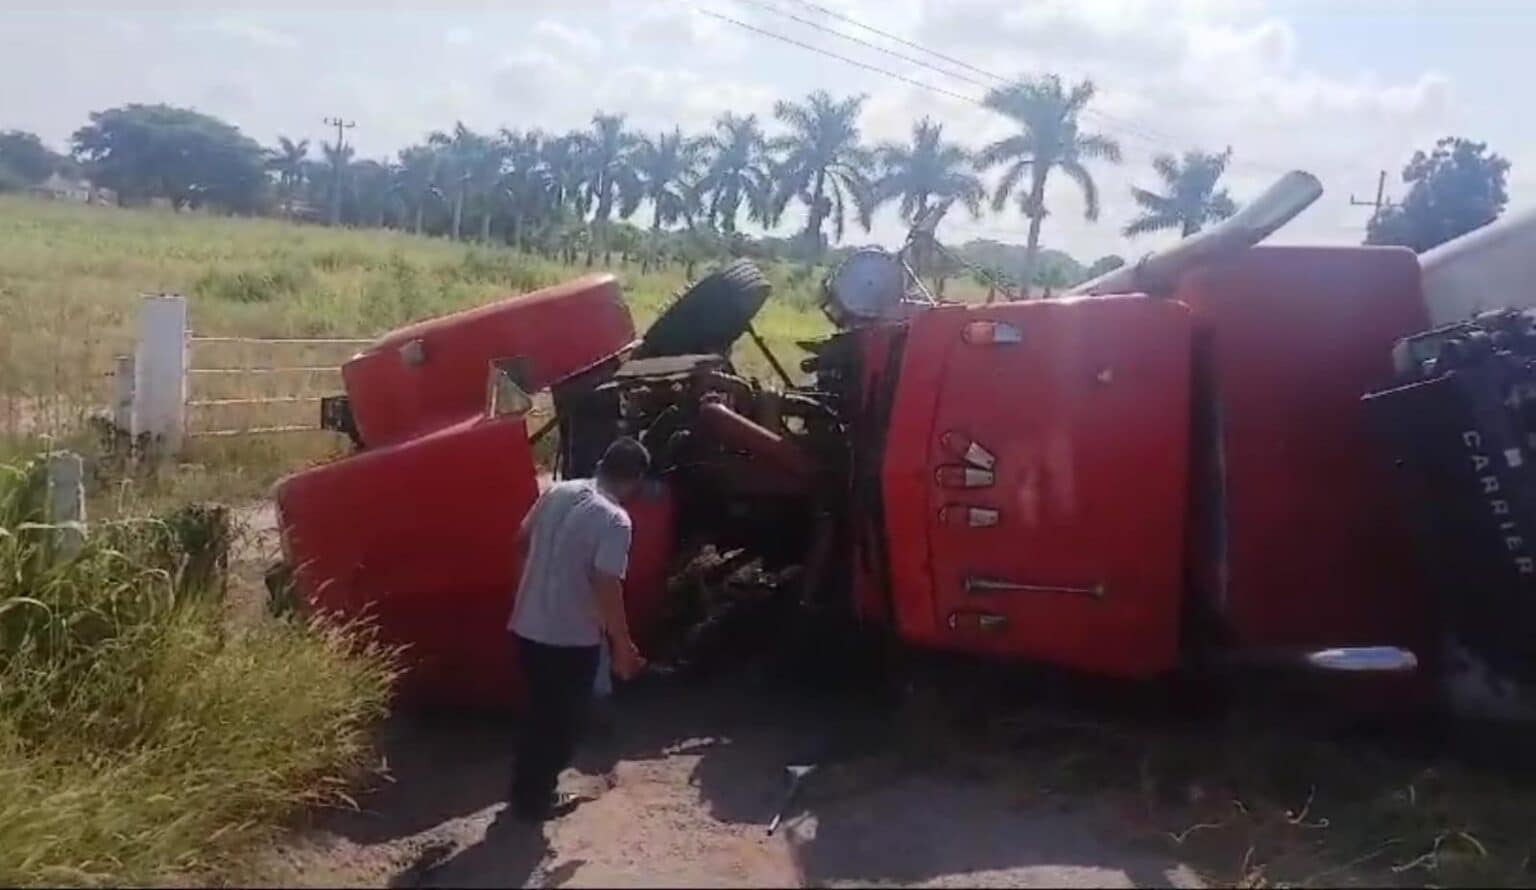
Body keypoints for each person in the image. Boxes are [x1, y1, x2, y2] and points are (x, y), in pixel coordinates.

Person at [507, 437, 649, 822]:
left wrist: (533, 593)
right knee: (562, 723)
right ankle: (536, 802)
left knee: (538, 712)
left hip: (526, 627)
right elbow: (607, 585)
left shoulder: (556, 491)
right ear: (635, 481)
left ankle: (524, 793)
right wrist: (623, 646)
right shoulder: (616, 520)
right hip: (568, 640)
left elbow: (520, 542)